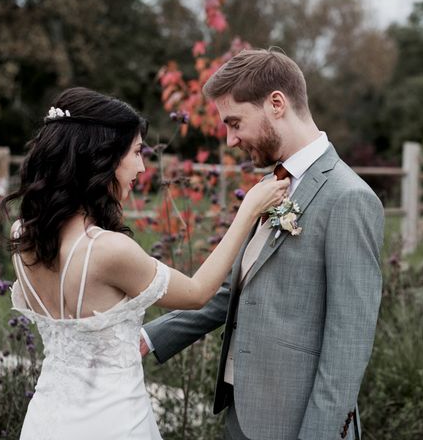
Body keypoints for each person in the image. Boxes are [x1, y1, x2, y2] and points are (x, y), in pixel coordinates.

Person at [4, 87, 289, 440]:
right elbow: (198, 292)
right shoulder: (108, 250)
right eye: (137, 152)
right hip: (113, 423)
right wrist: (249, 210)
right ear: (102, 157)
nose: (142, 167)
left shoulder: (23, 235)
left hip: (45, 421)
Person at [141, 49, 385, 439]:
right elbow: (232, 294)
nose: (230, 138)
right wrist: (147, 338)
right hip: (244, 414)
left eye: (235, 123)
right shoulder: (272, 188)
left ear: (276, 104)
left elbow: (348, 343)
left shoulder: (348, 198)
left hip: (300, 424)